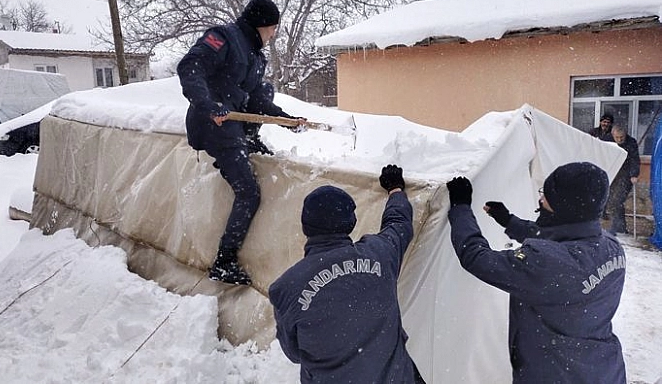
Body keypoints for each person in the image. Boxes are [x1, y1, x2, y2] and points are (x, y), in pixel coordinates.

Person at [445, 162, 626, 384]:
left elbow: (477, 258)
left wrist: (460, 207)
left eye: (546, 196)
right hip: (602, 370)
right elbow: (561, 239)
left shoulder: (547, 265)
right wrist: (509, 221)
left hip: (555, 375)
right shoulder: (610, 247)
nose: (541, 200)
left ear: (564, 207)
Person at [177, 0, 303, 285]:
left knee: (266, 91)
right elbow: (190, 67)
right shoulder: (224, 38)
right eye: (272, 28)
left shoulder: (255, 56)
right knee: (249, 192)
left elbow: (257, 99)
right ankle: (224, 261)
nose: (273, 34)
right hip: (213, 125)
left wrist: (286, 119)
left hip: (234, 126)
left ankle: (250, 142)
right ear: (260, 24)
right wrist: (208, 105)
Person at [269, 165, 425, 384]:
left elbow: (294, 353)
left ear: (306, 226)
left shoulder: (287, 287)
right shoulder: (379, 253)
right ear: (351, 223)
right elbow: (399, 224)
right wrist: (395, 190)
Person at [603, 124, 640, 234]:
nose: (619, 140)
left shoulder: (631, 142)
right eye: (617, 137)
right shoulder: (607, 140)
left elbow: (635, 159)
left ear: (625, 135)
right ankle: (621, 227)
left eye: (622, 137)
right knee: (609, 199)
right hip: (612, 171)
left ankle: (617, 227)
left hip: (626, 174)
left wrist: (634, 174)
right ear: (612, 135)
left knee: (617, 200)